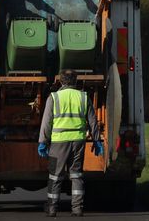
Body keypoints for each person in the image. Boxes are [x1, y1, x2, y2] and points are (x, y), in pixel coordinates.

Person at [38, 69, 103, 217]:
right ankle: (77, 208)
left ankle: (52, 208)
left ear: (60, 81)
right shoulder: (83, 97)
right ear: (75, 81)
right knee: (76, 175)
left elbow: (46, 122)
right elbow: (93, 122)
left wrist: (43, 141)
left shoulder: (54, 97)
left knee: (55, 176)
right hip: (78, 142)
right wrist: (97, 140)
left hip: (59, 142)